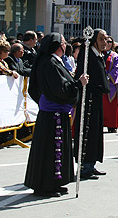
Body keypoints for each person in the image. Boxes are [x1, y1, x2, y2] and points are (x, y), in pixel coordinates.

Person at [24, 33, 88, 196]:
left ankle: (55, 181)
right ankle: (45, 185)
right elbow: (60, 88)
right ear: (57, 45)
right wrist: (78, 84)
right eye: (64, 42)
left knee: (57, 149)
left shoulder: (53, 62)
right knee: (51, 149)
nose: (66, 45)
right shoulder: (50, 63)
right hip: (53, 114)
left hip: (56, 111)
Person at [73, 29, 110, 180]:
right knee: (87, 132)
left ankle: (91, 163)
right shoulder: (87, 56)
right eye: (101, 39)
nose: (105, 42)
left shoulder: (99, 56)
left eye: (106, 39)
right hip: (88, 99)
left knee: (96, 132)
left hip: (96, 98)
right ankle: (84, 167)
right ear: (94, 41)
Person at [103, 36, 118, 134]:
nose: (108, 43)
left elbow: (116, 69)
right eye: (106, 41)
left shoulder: (115, 56)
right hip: (100, 84)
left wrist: (108, 77)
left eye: (110, 42)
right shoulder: (98, 54)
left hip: (111, 84)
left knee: (111, 107)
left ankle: (112, 125)